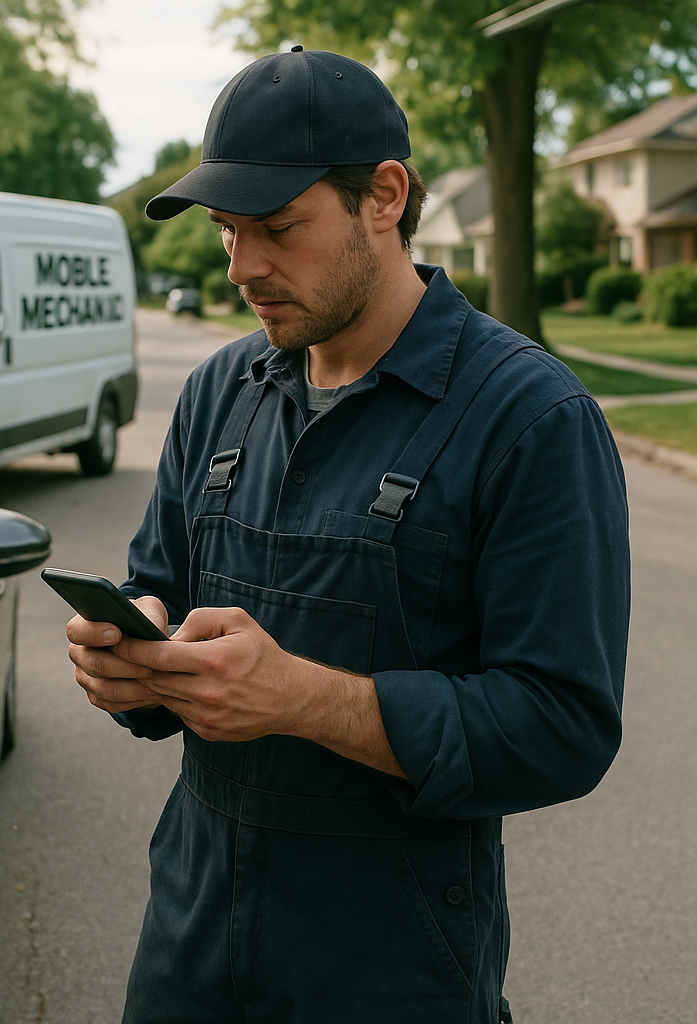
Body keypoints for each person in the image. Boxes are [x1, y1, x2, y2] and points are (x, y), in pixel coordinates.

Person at [66, 46, 629, 1024]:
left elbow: (561, 727)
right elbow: (157, 585)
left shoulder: (529, 418)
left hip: (390, 976)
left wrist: (306, 699)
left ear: (383, 195)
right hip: (187, 957)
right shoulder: (218, 394)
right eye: (229, 231)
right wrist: (133, 664)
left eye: (277, 229)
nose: (241, 267)